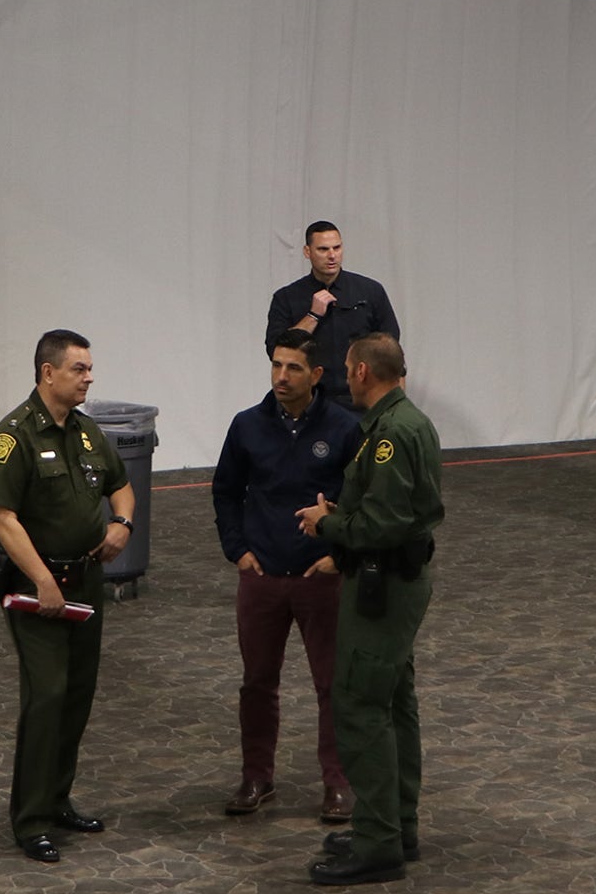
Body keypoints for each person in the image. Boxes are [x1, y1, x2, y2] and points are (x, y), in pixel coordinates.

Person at [0, 329, 136, 865]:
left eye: (89, 368)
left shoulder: (89, 434)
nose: (89, 377)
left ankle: (58, 798)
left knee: (77, 696)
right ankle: (30, 819)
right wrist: (42, 579)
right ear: (48, 373)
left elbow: (121, 485)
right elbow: (2, 517)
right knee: (46, 697)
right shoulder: (15, 436)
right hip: (37, 591)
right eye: (79, 369)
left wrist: (123, 523)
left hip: (87, 582)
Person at [295, 333, 441, 886]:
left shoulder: (390, 434)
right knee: (394, 701)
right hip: (396, 578)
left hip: (383, 583)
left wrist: (325, 524)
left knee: (359, 704)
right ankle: (395, 825)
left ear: (359, 372)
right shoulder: (399, 424)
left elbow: (383, 524)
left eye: (346, 369)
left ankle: (379, 841)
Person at [212, 329, 362, 825]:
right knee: (256, 683)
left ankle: (338, 783)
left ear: (316, 375)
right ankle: (257, 776)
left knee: (332, 685)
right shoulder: (247, 426)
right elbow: (226, 492)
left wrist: (340, 556)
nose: (281, 376)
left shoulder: (343, 428)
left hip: (321, 577)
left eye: (293, 367)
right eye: (277, 365)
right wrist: (238, 551)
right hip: (263, 578)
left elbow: (362, 500)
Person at [266, 222, 399, 411]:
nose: (332, 255)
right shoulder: (286, 298)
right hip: (310, 402)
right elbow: (275, 350)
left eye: (337, 248)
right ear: (307, 251)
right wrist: (313, 315)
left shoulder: (370, 291)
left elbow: (391, 347)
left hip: (361, 401)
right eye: (323, 249)